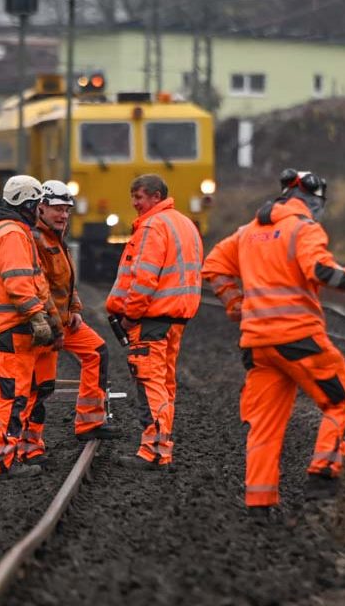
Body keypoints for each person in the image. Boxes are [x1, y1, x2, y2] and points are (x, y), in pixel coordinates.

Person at [202, 169, 345, 516]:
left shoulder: (247, 233)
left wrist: (236, 305)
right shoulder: (304, 228)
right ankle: (324, 478)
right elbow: (322, 271)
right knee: (342, 403)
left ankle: (259, 502)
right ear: (313, 201)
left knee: (264, 426)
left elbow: (213, 265)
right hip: (299, 339)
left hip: (257, 345)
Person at [106, 174, 203, 470]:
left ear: (156, 197)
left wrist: (129, 316)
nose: (135, 204)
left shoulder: (153, 225)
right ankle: (162, 448)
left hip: (153, 318)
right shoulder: (185, 223)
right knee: (164, 384)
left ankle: (153, 452)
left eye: (140, 198)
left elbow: (144, 278)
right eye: (133, 197)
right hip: (177, 317)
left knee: (149, 383)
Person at [22, 180, 120, 460]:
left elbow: (66, 281)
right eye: (57, 209)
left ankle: (90, 422)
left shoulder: (56, 237)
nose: (63, 215)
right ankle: (29, 447)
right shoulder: (35, 240)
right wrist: (55, 326)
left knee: (97, 352)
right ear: (40, 208)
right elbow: (39, 287)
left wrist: (75, 309)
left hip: (63, 320)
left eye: (66, 210)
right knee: (38, 386)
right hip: (43, 324)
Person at [0, 175, 57, 479]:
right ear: (29, 204)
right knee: (11, 395)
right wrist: (37, 316)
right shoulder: (13, 234)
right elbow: (19, 281)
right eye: (38, 204)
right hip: (12, 328)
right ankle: (5, 461)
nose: (40, 210)